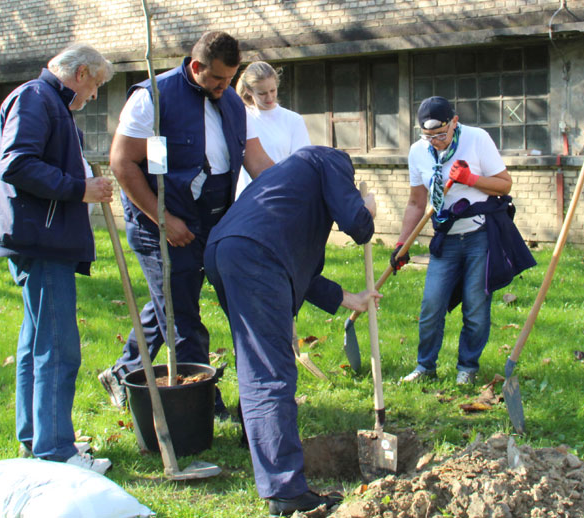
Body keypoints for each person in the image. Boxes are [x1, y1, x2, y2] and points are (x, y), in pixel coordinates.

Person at [98, 32, 274, 415]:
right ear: (196, 67)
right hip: (161, 220)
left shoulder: (230, 102)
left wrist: (293, 189)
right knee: (183, 316)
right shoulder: (152, 98)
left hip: (213, 218)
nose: (226, 87)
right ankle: (202, 402)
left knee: (170, 299)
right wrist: (162, 219)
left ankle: (123, 370)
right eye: (217, 79)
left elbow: (256, 161)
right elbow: (122, 163)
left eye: (230, 79)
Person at [204, 146, 378, 517]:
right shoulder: (329, 159)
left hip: (224, 250)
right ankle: (285, 490)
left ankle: (258, 446)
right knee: (271, 372)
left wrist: (353, 299)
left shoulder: (289, 190)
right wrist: (369, 207)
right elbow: (358, 225)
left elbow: (307, 275)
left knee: (257, 361)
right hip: (255, 256)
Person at [0, 44, 114, 474]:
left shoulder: (51, 105)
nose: (95, 96)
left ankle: (35, 437)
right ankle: (57, 450)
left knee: (37, 342)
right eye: (96, 85)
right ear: (80, 73)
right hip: (41, 243)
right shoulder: (36, 98)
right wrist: (79, 189)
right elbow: (18, 164)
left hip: (43, 240)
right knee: (58, 346)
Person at [394, 96, 513, 386]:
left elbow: (504, 183)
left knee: (475, 306)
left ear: (454, 122)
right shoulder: (418, 152)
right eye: (428, 136)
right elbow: (415, 202)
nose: (435, 141)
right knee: (431, 304)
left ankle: (468, 368)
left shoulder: (477, 139)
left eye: (441, 134)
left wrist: (471, 179)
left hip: (480, 236)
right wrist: (402, 244)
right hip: (445, 239)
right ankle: (425, 367)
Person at [234, 61, 311, 198]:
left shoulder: (293, 120)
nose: (269, 97)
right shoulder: (240, 117)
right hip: (246, 198)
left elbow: (302, 166)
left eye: (272, 91)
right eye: (262, 93)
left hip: (280, 196)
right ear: (249, 90)